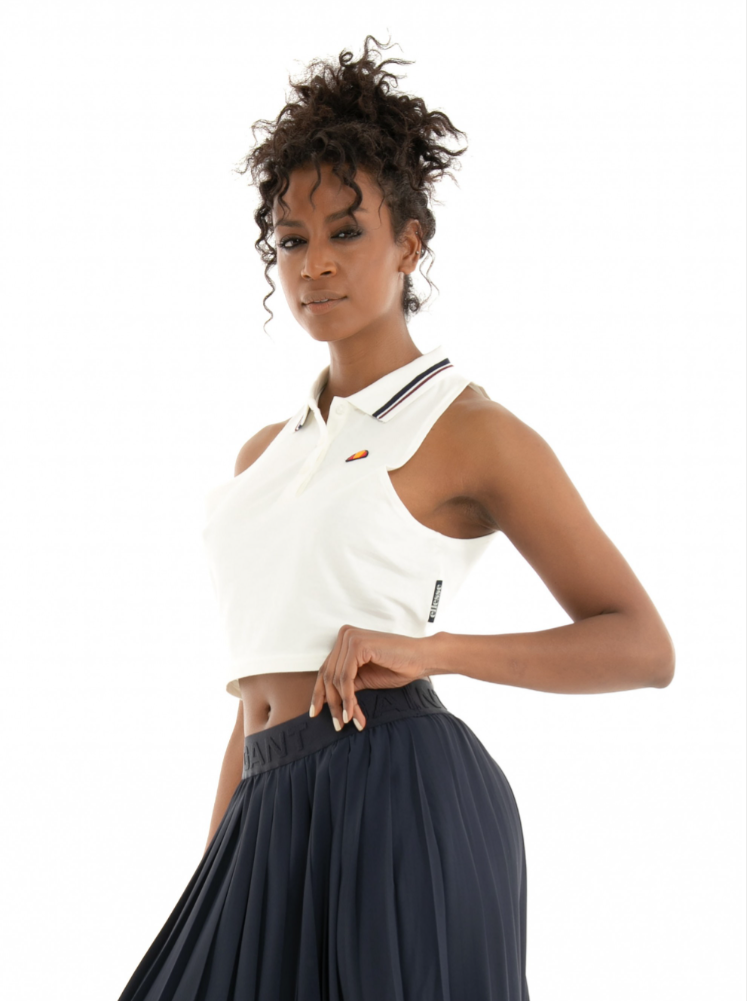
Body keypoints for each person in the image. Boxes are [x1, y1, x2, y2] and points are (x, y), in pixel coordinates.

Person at [116, 34, 675, 1001]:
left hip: (400, 796)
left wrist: (434, 649)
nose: (314, 265)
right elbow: (253, 698)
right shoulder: (263, 455)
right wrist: (216, 865)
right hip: (267, 806)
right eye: (292, 240)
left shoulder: (469, 430)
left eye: (346, 233)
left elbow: (641, 645)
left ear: (409, 245)